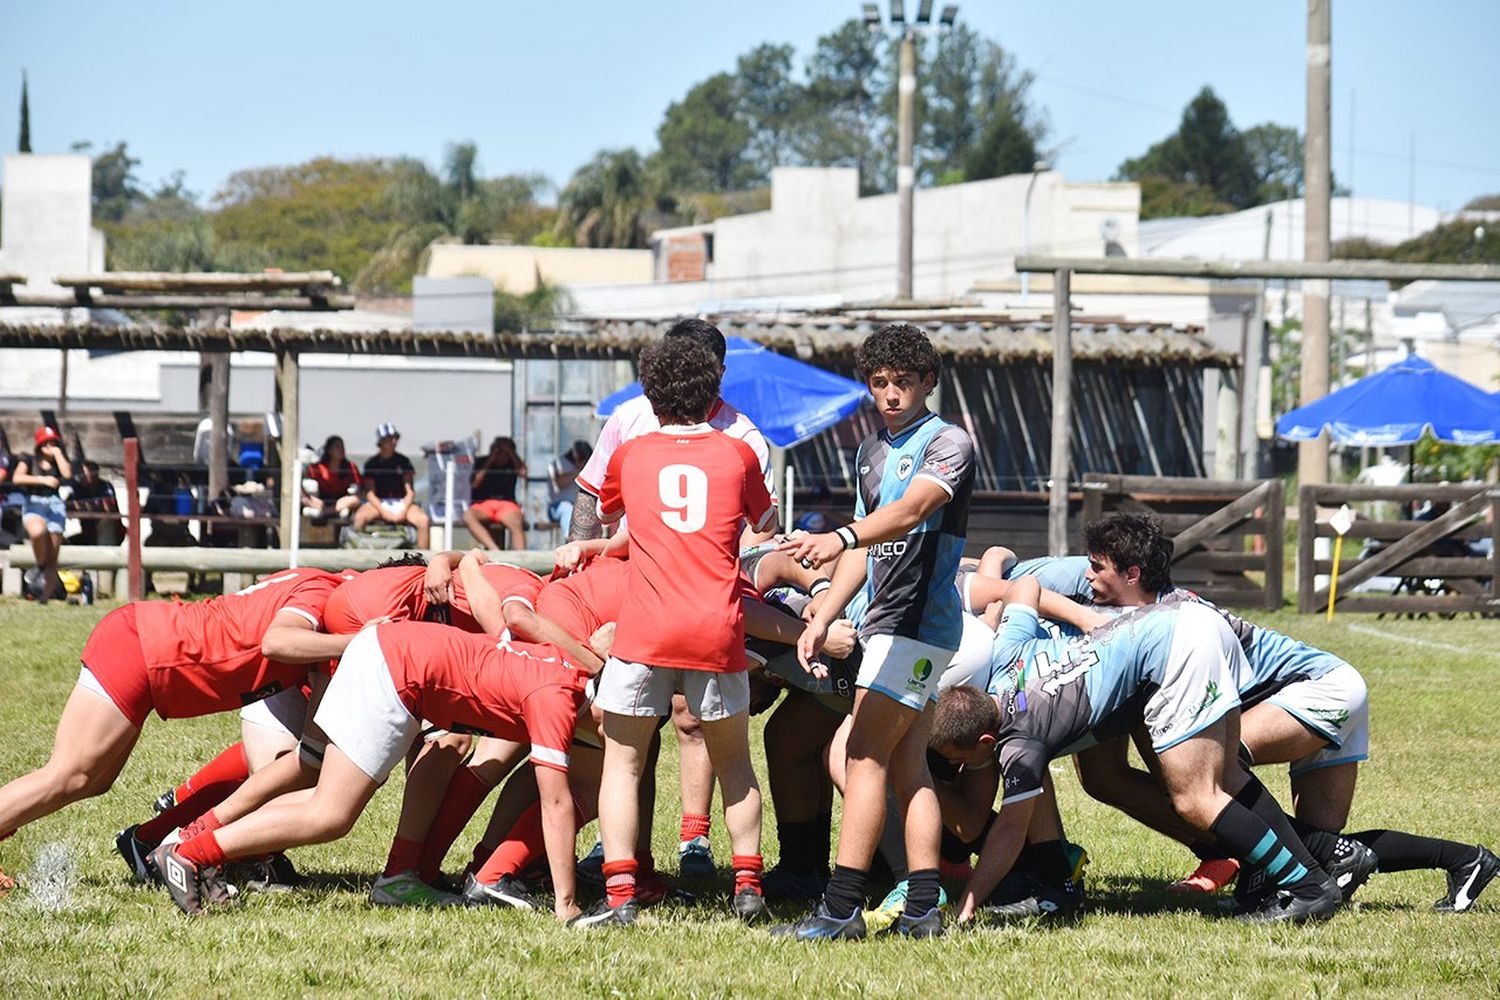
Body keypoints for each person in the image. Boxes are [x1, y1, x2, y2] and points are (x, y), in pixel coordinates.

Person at [934, 576, 1352, 925]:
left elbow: (1008, 832)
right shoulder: (1008, 655)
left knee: (1195, 799)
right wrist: (1071, 617)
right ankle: (1310, 881)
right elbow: (1024, 586)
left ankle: (1307, 888)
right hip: (1190, 618)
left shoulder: (1019, 746)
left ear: (986, 742)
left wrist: (968, 903)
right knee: (1226, 780)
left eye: (958, 759)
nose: (958, 767)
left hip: (1174, 646)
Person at [154, 622, 593, 921]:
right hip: (395, 671)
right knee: (329, 812)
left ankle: (398, 878)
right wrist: (566, 904)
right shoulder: (558, 698)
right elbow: (555, 803)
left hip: (392, 657)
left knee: (320, 793)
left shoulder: (567, 671)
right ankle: (191, 855)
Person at [774, 322, 976, 941]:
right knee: (908, 764)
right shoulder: (869, 450)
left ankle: (839, 910)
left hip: (917, 624)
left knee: (861, 755)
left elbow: (910, 512)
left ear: (929, 383)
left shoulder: (949, 442)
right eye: (881, 383)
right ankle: (922, 909)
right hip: (887, 625)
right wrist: (827, 612)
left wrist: (835, 536)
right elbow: (868, 543)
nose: (891, 394)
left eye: (905, 382)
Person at [571, 334, 777, 929]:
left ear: (650, 394)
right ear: (715, 392)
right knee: (736, 763)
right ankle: (747, 887)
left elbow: (608, 512)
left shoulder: (631, 453)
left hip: (645, 629)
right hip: (716, 628)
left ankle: (618, 899)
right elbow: (765, 525)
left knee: (624, 762)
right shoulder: (739, 453)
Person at [0, 567, 351, 894]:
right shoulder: (327, 595)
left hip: (149, 644)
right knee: (70, 774)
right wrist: (354, 641)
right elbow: (277, 642)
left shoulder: (327, 586)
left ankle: (233, 855)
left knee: (92, 780)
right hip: (144, 647)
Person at [11, 426, 73, 603]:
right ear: (39, 445)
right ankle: (39, 565)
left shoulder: (58, 462)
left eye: (54, 442)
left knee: (53, 558)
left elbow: (67, 474)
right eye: (47, 442)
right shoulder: (28, 460)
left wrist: (59, 454)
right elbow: (17, 478)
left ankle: (44, 598)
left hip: (55, 505)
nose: (51, 445)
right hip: (34, 503)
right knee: (38, 532)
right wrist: (42, 479)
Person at [353, 423, 429, 548]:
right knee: (360, 517)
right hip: (378, 503)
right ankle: (358, 554)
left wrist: (403, 510)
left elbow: (410, 492)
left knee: (423, 520)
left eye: (395, 438)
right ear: (381, 442)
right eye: (389, 438)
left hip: (402, 502)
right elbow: (370, 493)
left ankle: (423, 560)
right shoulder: (371, 464)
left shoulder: (404, 462)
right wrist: (385, 512)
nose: (393, 442)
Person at [465, 436, 527, 551]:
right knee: (469, 516)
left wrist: (511, 454)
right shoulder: (482, 461)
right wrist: (491, 459)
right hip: (483, 504)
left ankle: (521, 557)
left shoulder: (514, 463)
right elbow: (475, 482)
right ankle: (494, 549)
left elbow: (523, 473)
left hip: (507, 504)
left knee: (516, 523)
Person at [304, 435, 361, 519]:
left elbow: (358, 487)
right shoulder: (318, 467)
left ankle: (327, 512)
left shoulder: (351, 467)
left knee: (355, 500)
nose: (341, 449)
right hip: (321, 500)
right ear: (329, 451)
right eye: (337, 446)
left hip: (341, 501)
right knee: (304, 499)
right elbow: (306, 478)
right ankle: (326, 511)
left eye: (342, 447)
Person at [547, 440, 591, 537]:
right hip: (556, 506)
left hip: (576, 504)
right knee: (567, 508)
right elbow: (560, 482)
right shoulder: (559, 463)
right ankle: (570, 538)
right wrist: (578, 470)